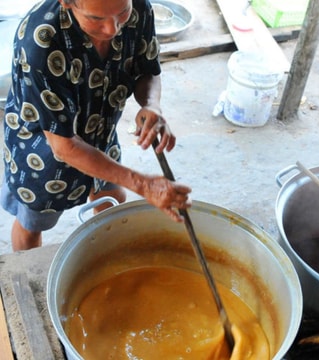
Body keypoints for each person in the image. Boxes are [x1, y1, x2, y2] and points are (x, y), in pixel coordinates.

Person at [1, 0, 192, 251]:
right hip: (44, 150)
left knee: (112, 199)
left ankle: (108, 262)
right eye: (96, 19)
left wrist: (151, 105)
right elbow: (64, 147)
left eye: (122, 12)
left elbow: (148, 69)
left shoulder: (140, 8)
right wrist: (144, 185)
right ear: (67, 3)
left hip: (100, 127)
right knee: (33, 223)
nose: (112, 29)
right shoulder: (41, 41)